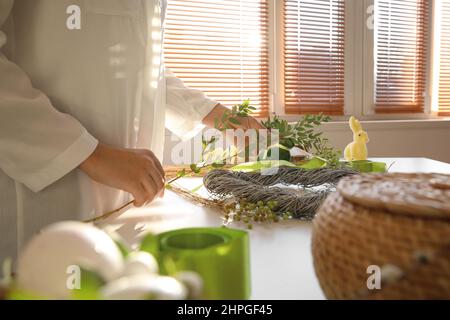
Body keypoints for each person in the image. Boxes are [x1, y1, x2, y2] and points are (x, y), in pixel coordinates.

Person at [0, 0, 262, 264]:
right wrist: (90, 154)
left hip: (130, 208)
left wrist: (216, 114)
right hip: (49, 202)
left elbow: (143, 68)